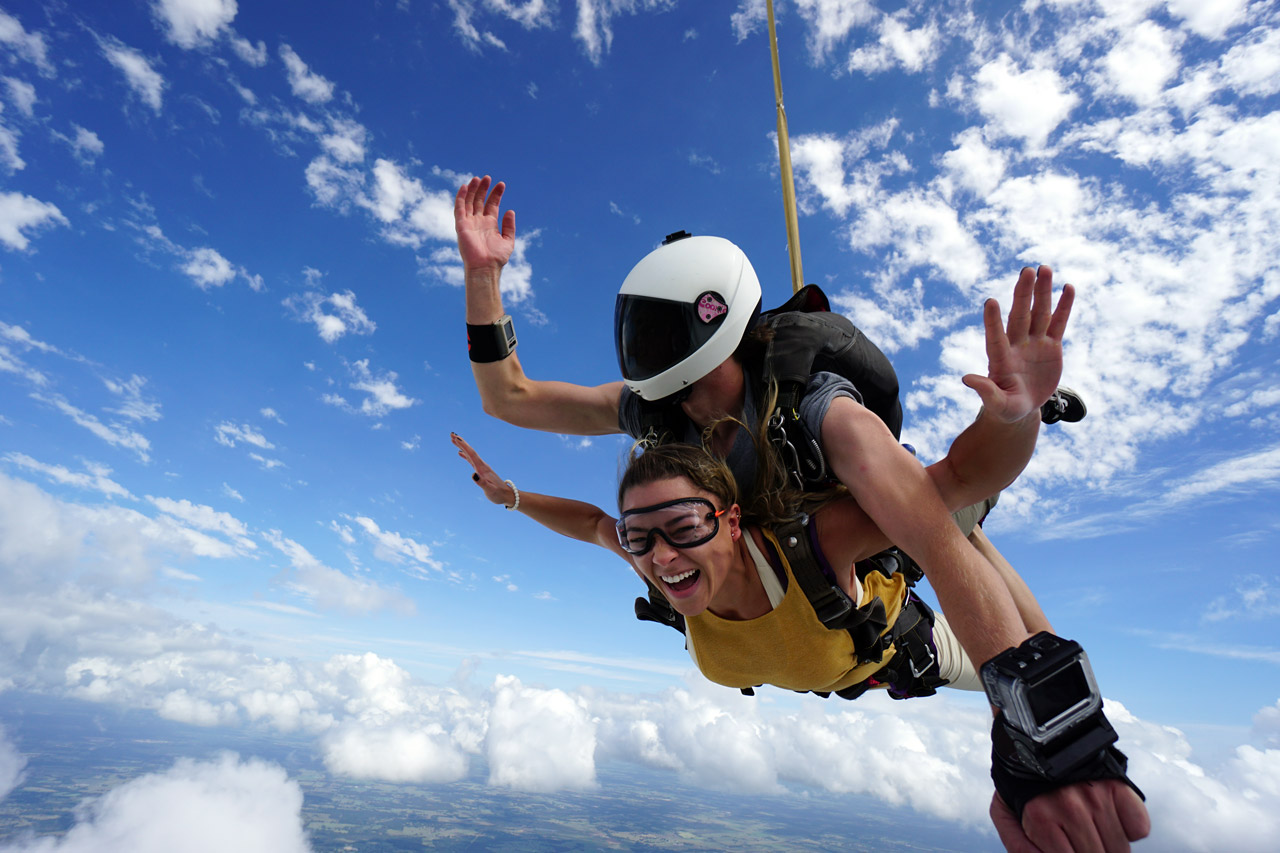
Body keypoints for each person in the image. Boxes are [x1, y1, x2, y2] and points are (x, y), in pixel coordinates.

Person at [454, 175, 1149, 850]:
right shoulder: (658, 419)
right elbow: (510, 399)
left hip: (863, 574)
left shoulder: (822, 412)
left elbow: (947, 512)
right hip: (831, 628)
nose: (684, 392)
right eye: (654, 355)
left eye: (682, 358)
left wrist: (1050, 739)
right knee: (932, 520)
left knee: (951, 522)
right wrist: (483, 275)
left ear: (723, 325)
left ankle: (1062, 697)